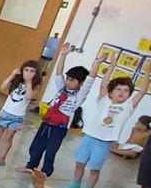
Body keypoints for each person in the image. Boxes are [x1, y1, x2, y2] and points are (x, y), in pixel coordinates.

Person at [61, 61, 151, 188]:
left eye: (126, 90)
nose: (122, 92)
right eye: (118, 89)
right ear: (110, 93)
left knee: (94, 169)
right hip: (89, 137)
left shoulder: (128, 107)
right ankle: (75, 183)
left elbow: (143, 91)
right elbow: (103, 84)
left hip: (104, 143)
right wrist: (112, 65)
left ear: (129, 95)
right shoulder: (104, 100)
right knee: (79, 163)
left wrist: (147, 73)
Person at [23, 44, 99, 176]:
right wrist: (63, 55)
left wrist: (97, 63)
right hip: (47, 123)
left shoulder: (79, 96)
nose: (67, 82)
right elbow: (58, 73)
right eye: (68, 78)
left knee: (51, 151)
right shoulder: (61, 88)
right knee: (36, 146)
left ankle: (46, 172)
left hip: (59, 128)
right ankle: (31, 165)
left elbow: (89, 81)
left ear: (80, 83)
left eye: (72, 80)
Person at [0, 61, 41, 166]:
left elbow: (29, 97)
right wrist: (12, 75)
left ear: (36, 73)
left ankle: (2, 156)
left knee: (9, 137)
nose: (28, 73)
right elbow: (3, 87)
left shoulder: (35, 86)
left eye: (32, 71)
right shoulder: (17, 81)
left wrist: (29, 82)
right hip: (5, 111)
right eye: (26, 70)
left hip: (17, 116)